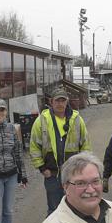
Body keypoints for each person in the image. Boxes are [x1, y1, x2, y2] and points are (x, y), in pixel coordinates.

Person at [30, 87, 92, 215]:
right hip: (52, 174)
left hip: (73, 174)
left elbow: (85, 144)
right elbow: (34, 146)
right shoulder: (41, 120)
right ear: (51, 102)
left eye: (63, 101)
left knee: (75, 208)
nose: (60, 104)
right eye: (57, 101)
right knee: (54, 211)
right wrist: (42, 168)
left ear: (67, 102)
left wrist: (82, 168)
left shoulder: (77, 119)